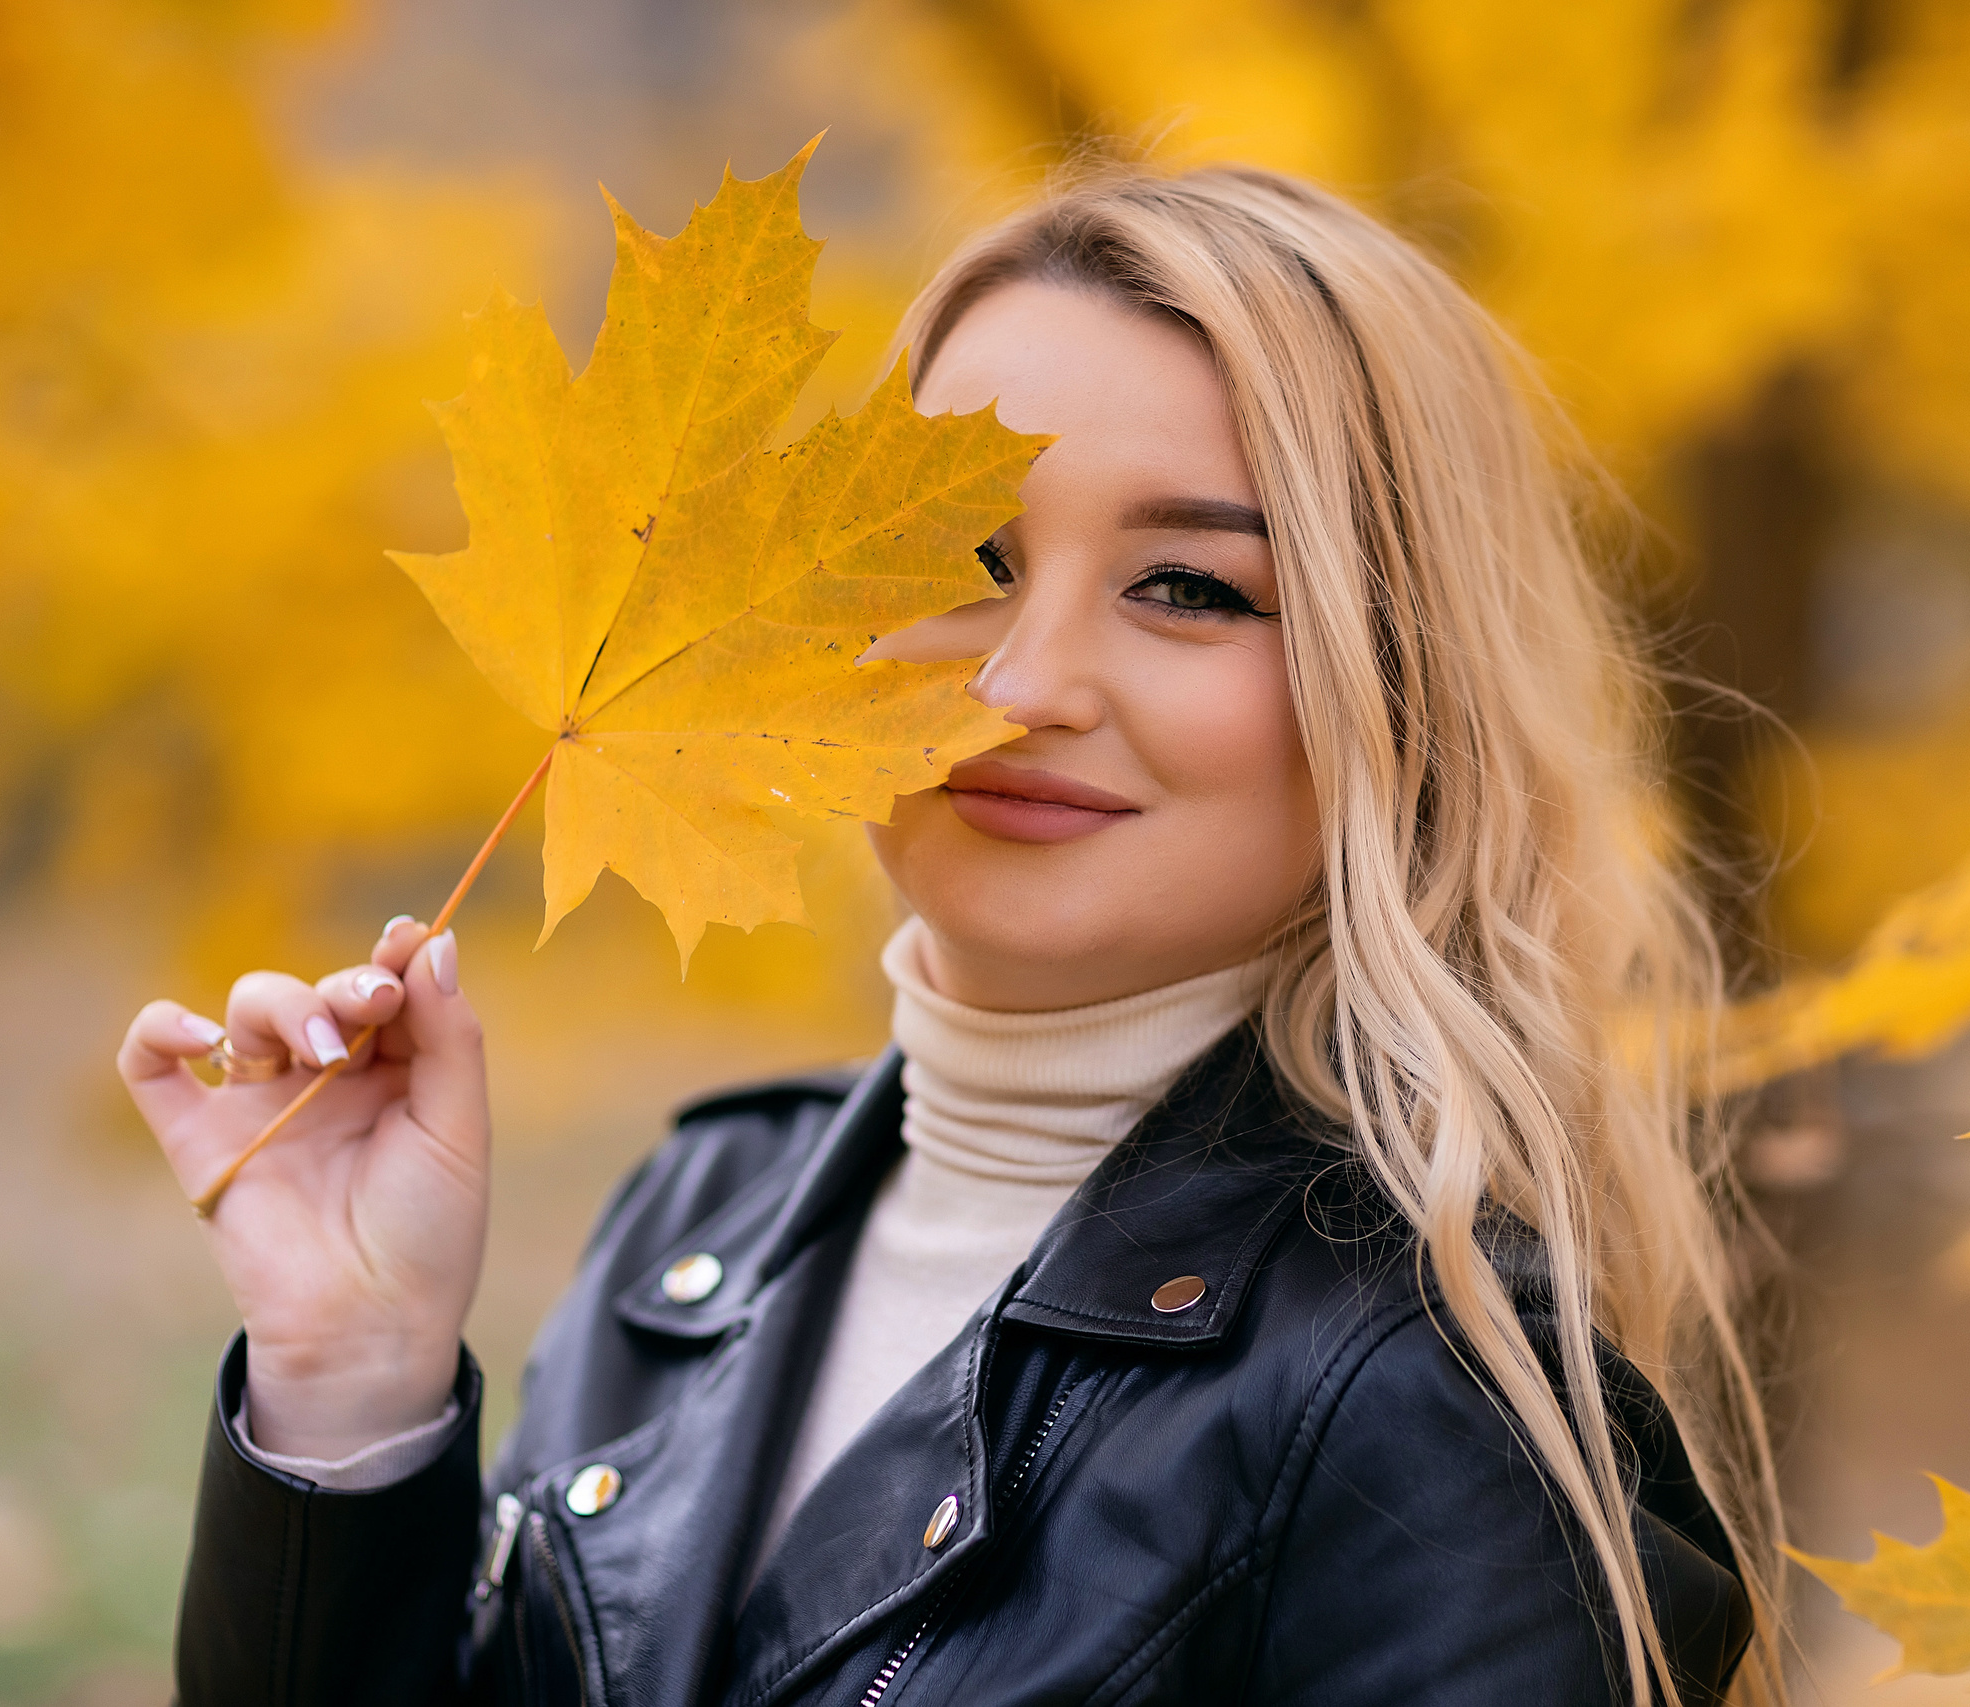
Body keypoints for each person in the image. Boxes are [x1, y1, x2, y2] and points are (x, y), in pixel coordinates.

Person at [118, 164, 1785, 1706]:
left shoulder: (1422, 1405)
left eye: (1189, 587)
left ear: (1400, 696)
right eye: (960, 555)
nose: (1020, 686)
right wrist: (354, 1385)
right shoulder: (705, 1219)